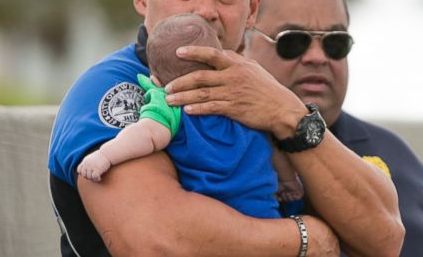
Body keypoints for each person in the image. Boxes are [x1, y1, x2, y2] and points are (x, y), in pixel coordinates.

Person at [48, 0, 404, 256]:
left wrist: (290, 116)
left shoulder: (269, 92)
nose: (206, 9)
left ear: (252, 8)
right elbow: (158, 242)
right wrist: (308, 239)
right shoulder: (114, 88)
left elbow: (385, 238)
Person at [242, 0, 423, 257]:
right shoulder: (208, 151)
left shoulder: (396, 156)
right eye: (293, 41)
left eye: (335, 43)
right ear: (241, 46)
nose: (317, 57)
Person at [76, 13, 303, 213]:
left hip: (214, 213)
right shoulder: (244, 99)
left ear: (155, 79)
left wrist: (105, 156)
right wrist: (288, 180)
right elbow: (273, 145)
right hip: (263, 209)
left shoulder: (170, 102)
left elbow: (147, 135)